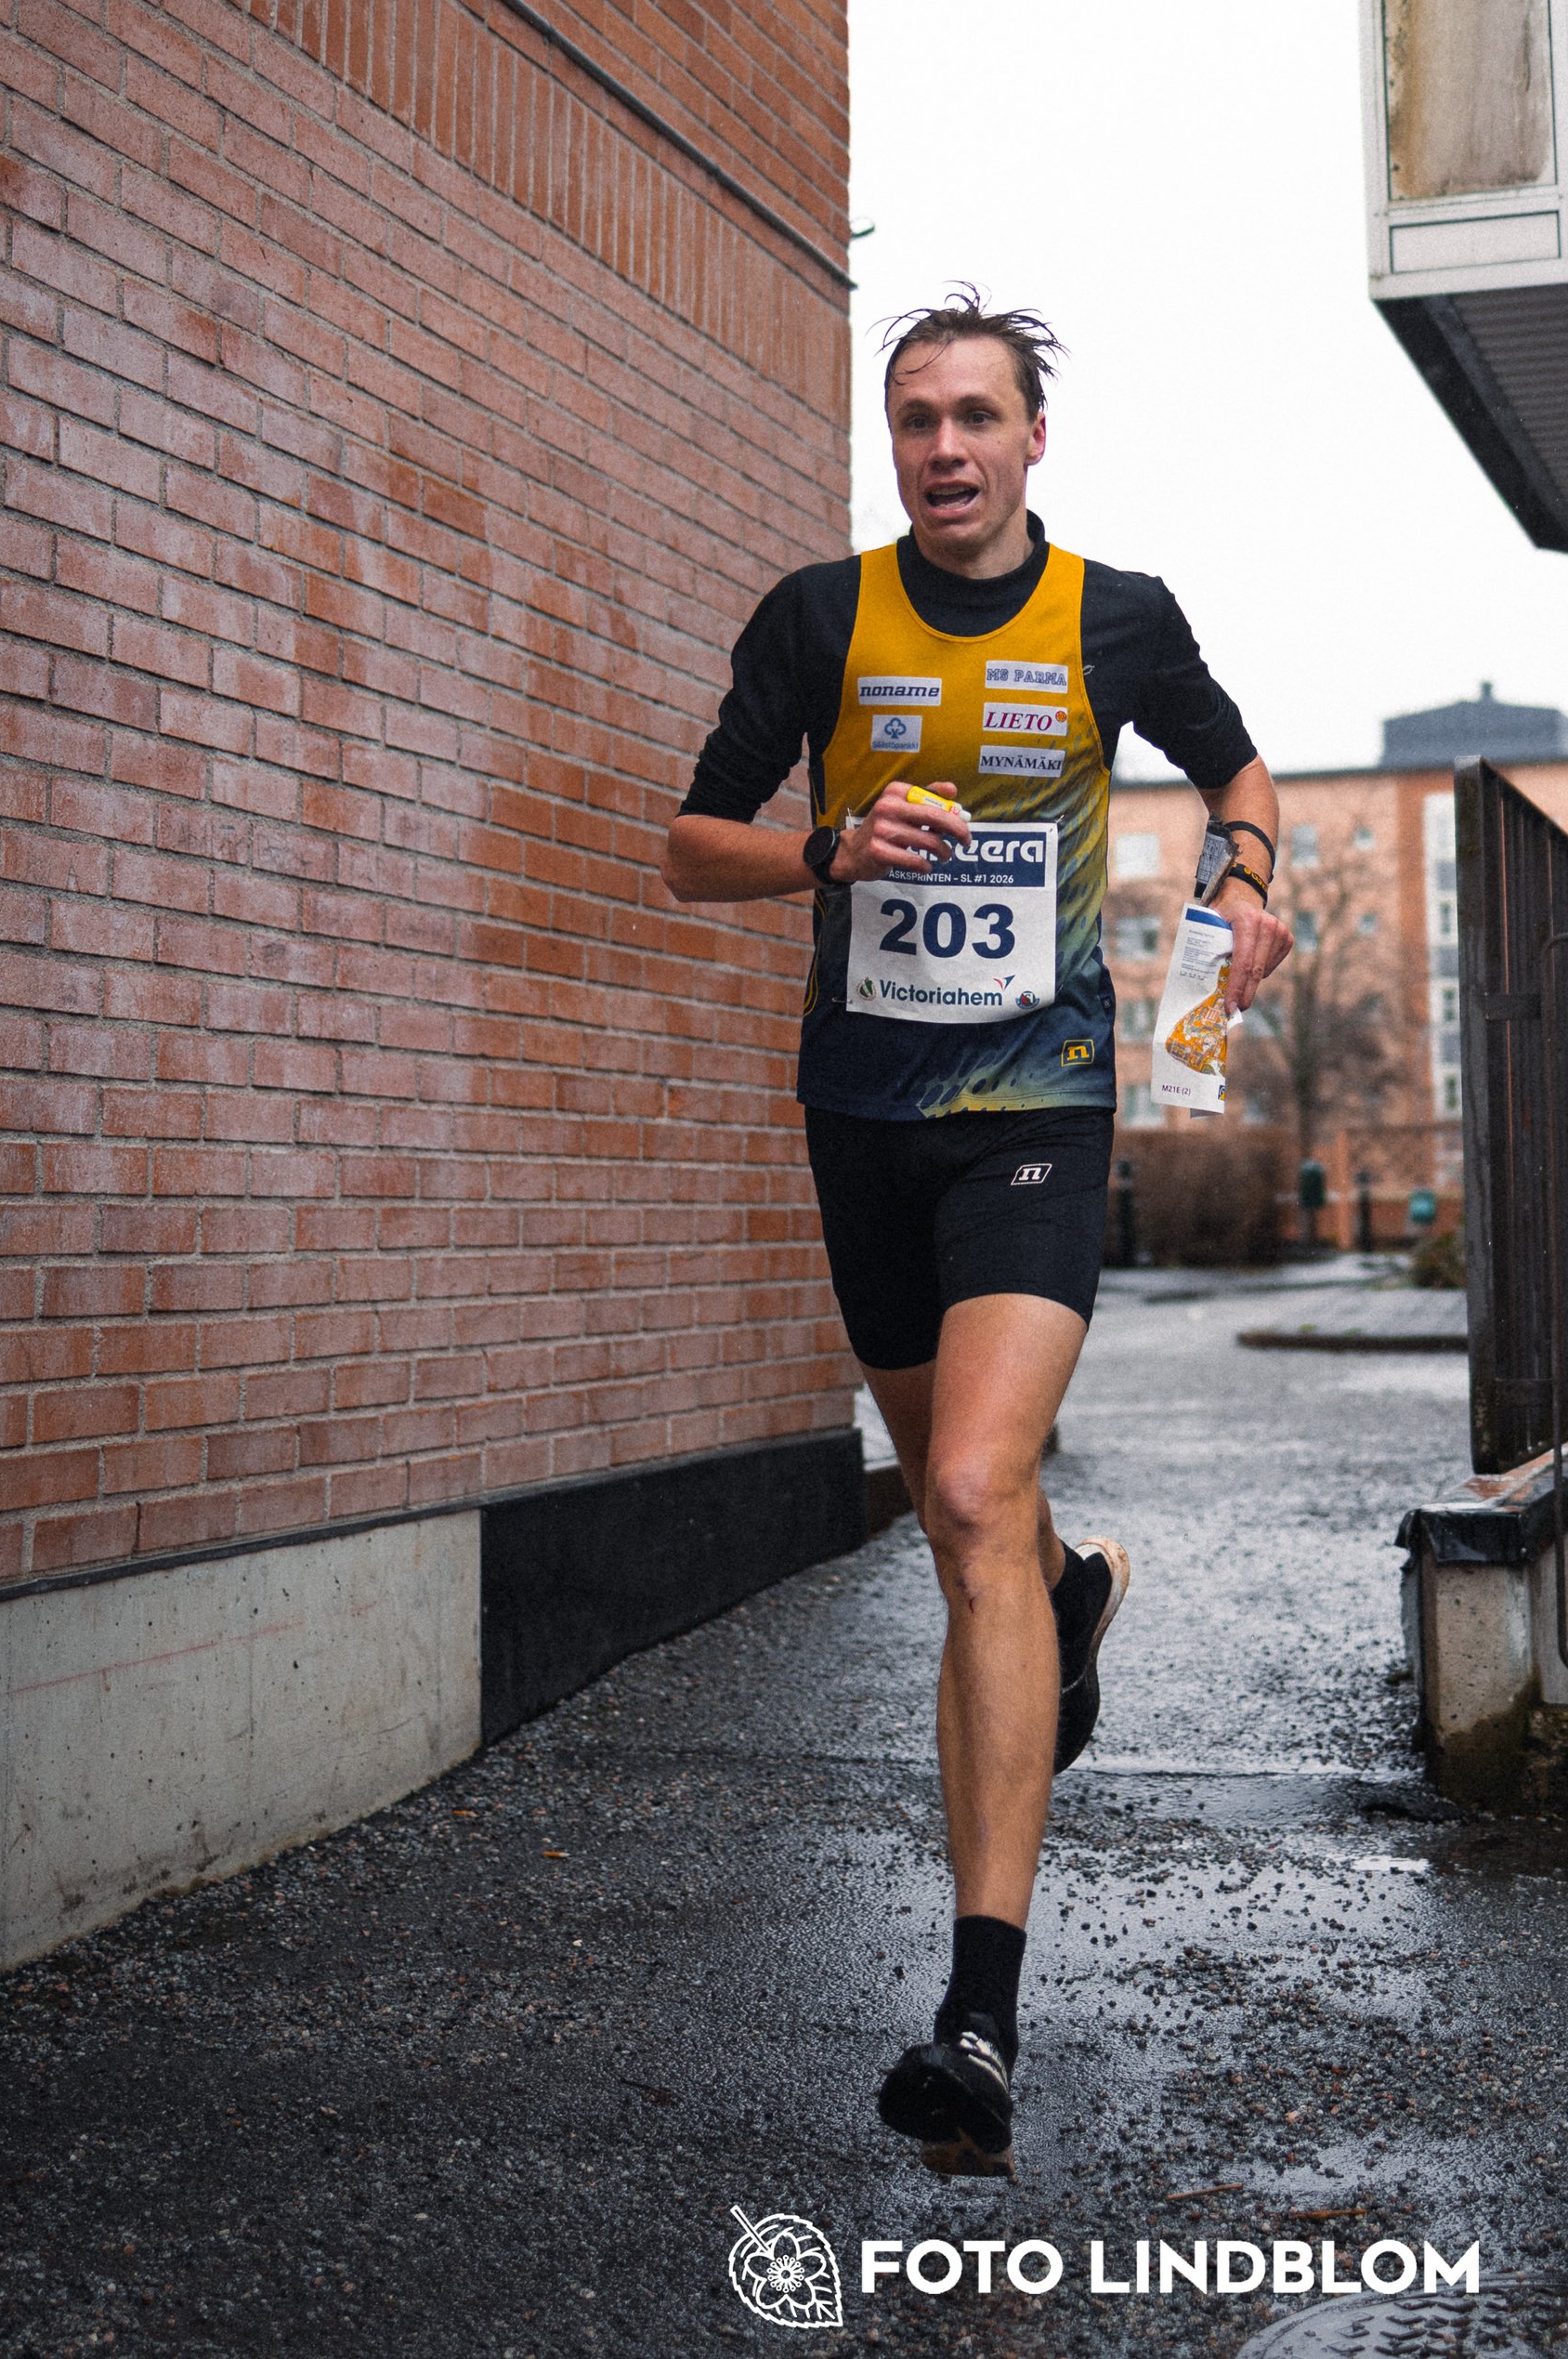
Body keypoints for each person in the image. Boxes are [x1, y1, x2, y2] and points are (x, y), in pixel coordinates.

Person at [664, 291, 1290, 2177]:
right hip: (858, 1118)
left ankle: (978, 2014)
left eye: (975, 419)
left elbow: (1234, 773)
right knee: (989, 1546)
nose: (943, 450)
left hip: (1034, 1108)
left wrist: (1246, 889)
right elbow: (691, 841)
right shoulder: (814, 618)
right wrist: (825, 851)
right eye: (913, 420)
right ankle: (1061, 1607)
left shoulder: (1114, 617)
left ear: (1033, 442)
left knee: (959, 1491)